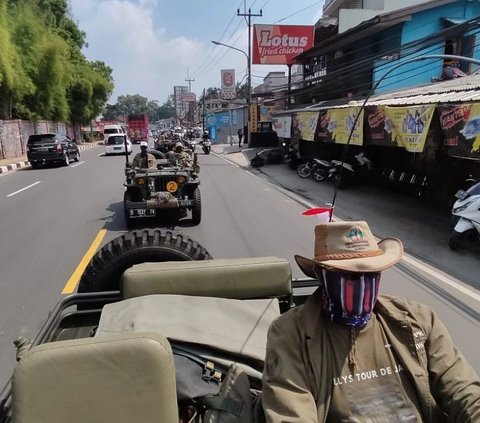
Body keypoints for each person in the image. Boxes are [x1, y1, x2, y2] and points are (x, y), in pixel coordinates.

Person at [262, 220, 480, 422]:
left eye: (372, 273)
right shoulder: (291, 333)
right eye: (350, 275)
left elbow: (464, 391)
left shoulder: (417, 319)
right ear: (322, 275)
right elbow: (292, 413)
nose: (363, 283)